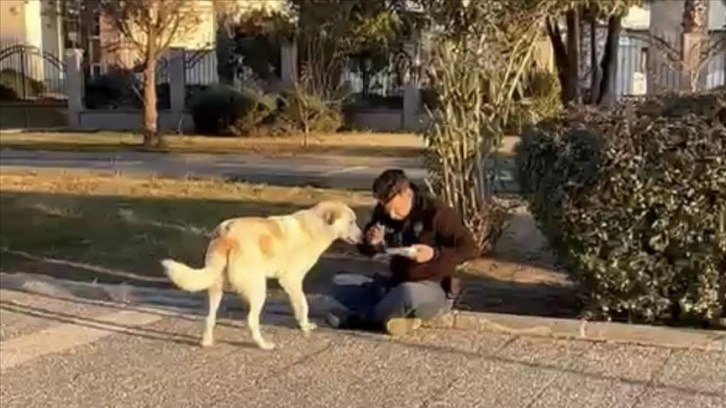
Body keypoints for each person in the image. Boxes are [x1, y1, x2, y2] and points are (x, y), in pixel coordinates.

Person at [327, 168, 478, 335]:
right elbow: (366, 250)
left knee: (408, 293)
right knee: (337, 283)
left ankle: (361, 320)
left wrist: (434, 254)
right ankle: (396, 317)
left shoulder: (437, 213)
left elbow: (470, 249)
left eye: (395, 210)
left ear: (406, 192)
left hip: (432, 289)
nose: (391, 215)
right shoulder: (383, 212)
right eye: (387, 210)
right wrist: (371, 242)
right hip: (393, 283)